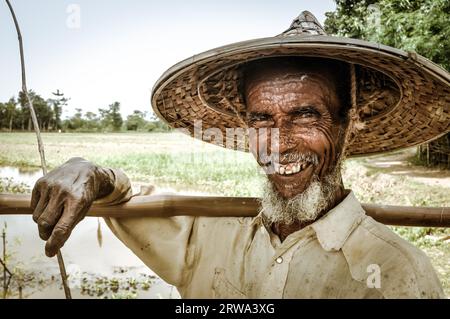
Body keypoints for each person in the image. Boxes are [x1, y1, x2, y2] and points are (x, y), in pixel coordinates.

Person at [31, 11, 448, 298]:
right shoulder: (210, 232)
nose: (279, 143)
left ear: (347, 122)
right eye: (262, 119)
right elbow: (120, 201)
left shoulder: (396, 272)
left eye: (305, 114)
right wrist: (88, 170)